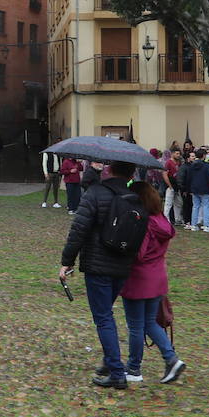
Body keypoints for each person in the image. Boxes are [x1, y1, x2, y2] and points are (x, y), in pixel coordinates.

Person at [59, 160, 140, 389]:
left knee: (103, 317)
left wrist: (66, 261)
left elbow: (79, 230)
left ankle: (116, 371)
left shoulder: (95, 193)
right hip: (123, 264)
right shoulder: (135, 196)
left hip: (98, 264)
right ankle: (109, 361)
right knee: (107, 314)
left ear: (110, 170)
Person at [118, 182, 186, 384]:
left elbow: (138, 254)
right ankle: (171, 358)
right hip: (157, 278)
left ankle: (134, 367)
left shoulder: (145, 223)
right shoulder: (162, 220)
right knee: (149, 323)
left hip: (139, 279)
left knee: (136, 326)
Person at [186, 148, 209, 232]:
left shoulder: (192, 165)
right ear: (204, 156)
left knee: (195, 207)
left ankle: (193, 225)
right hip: (205, 189)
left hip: (194, 189)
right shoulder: (206, 166)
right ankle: (206, 225)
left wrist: (189, 189)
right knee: (206, 206)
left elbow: (189, 178)